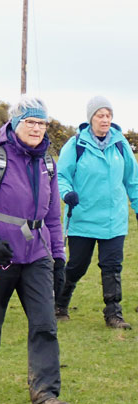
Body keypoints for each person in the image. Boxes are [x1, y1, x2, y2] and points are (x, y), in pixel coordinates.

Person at [0, 96, 70, 404]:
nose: (37, 128)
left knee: (45, 324)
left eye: (42, 123)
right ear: (15, 124)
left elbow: (52, 217)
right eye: (31, 122)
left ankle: (46, 393)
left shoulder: (48, 163)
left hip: (37, 256)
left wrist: (58, 257)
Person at [55, 96, 138, 329]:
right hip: (83, 217)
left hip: (114, 220)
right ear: (90, 118)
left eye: (108, 115)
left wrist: (137, 205)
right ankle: (60, 303)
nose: (105, 120)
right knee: (77, 265)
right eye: (100, 115)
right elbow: (62, 176)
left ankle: (114, 314)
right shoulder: (76, 145)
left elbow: (133, 180)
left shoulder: (121, 145)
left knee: (112, 266)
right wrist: (67, 193)